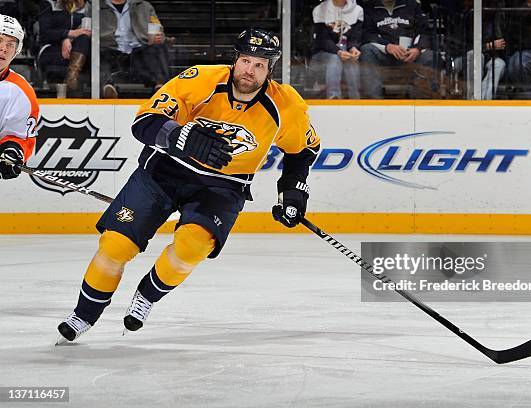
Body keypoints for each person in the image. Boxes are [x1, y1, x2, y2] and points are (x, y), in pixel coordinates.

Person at [56, 28, 321, 343]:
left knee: (192, 246)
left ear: (270, 70)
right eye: (246, 61)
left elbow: (303, 152)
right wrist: (181, 137)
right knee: (115, 245)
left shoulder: (286, 105)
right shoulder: (201, 79)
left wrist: (292, 193)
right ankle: (83, 315)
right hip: (163, 172)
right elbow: (144, 122)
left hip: (222, 187)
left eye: (260, 65)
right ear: (235, 60)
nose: (250, 70)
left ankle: (148, 295)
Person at [359, 0, 435, 99]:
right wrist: (387, 47)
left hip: (410, 56)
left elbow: (424, 32)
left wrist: (417, 49)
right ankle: (374, 103)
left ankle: (421, 105)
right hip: (384, 56)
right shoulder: (369, 7)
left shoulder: (412, 5)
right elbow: (367, 34)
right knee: (367, 50)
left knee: (429, 56)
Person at [100, 0, 170, 98]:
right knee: (99, 53)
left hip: (138, 50)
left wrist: (158, 37)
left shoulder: (144, 5)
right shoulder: (97, 7)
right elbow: (85, 27)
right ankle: (107, 87)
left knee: (156, 48)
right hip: (110, 48)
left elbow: (157, 28)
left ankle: (159, 87)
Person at [0, 15, 39, 181]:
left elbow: (19, 137)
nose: (3, 49)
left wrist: (12, 150)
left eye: (10, 44)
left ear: (16, 51)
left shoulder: (21, 92)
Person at [310, 0, 363, 99]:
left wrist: (353, 48)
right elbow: (322, 39)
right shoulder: (320, 10)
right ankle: (333, 97)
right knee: (334, 59)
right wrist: (338, 52)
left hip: (346, 53)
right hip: (322, 54)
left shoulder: (357, 10)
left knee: (352, 61)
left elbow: (356, 36)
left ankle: (355, 99)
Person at [38, 0, 91, 94]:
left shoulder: (89, 6)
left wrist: (68, 39)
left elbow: (87, 31)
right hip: (51, 48)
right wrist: (67, 34)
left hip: (79, 49)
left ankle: (71, 77)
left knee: (84, 39)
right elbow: (45, 33)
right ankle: (71, 82)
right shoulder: (49, 4)